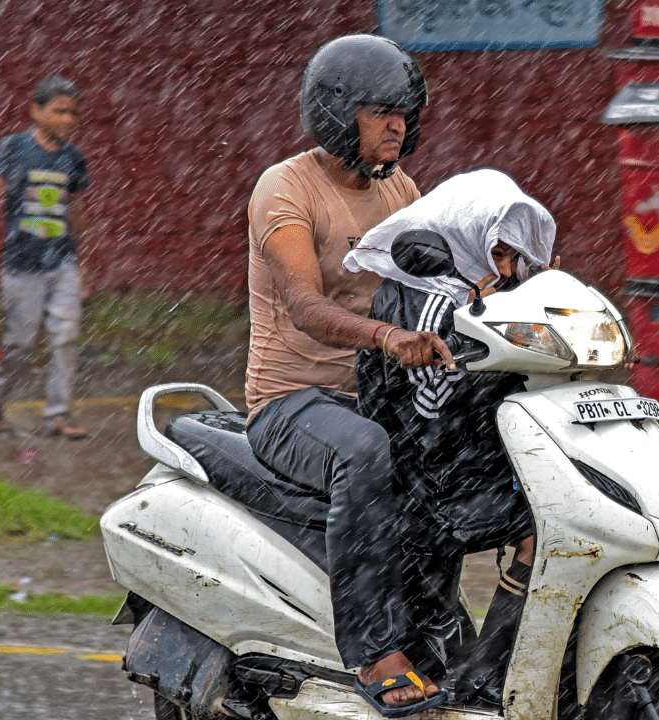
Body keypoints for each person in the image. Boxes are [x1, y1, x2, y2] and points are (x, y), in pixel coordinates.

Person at [242, 34, 455, 717]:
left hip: (374, 395)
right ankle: (372, 648)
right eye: (381, 111)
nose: (400, 123)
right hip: (291, 403)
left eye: (405, 111)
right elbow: (305, 306)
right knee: (368, 452)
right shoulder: (285, 189)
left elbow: (441, 274)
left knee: (464, 452)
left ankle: (438, 628)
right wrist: (387, 337)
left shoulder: (400, 189)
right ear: (336, 113)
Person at [346, 169, 558, 709]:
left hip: (459, 460)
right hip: (420, 476)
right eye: (501, 255)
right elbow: (430, 411)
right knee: (545, 529)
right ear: (464, 238)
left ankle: (501, 666)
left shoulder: (480, 297)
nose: (509, 270)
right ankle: (487, 678)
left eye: (515, 257)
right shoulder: (425, 303)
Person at [0, 75, 92, 439]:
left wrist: (86, 263)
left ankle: (58, 415)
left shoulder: (74, 158)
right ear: (35, 111)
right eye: (59, 111)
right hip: (22, 263)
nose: (68, 120)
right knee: (21, 343)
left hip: (63, 262)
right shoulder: (15, 148)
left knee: (66, 336)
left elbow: (80, 212)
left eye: (73, 113)